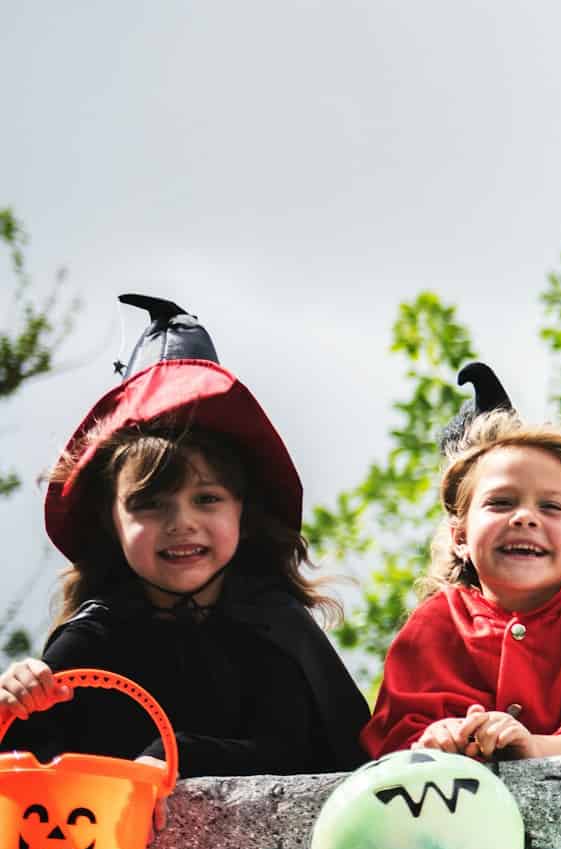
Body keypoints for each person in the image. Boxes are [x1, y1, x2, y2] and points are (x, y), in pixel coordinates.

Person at [0, 295, 368, 775]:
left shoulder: (280, 629)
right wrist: (11, 707)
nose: (181, 523)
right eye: (149, 504)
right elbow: (24, 776)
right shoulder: (88, 642)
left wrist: (172, 758)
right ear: (111, 523)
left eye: (207, 499)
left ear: (243, 512)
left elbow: (309, 758)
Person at [359, 364, 561, 759]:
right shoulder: (435, 622)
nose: (524, 517)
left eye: (551, 506)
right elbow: (396, 735)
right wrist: (436, 739)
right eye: (501, 503)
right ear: (461, 537)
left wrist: (535, 747)